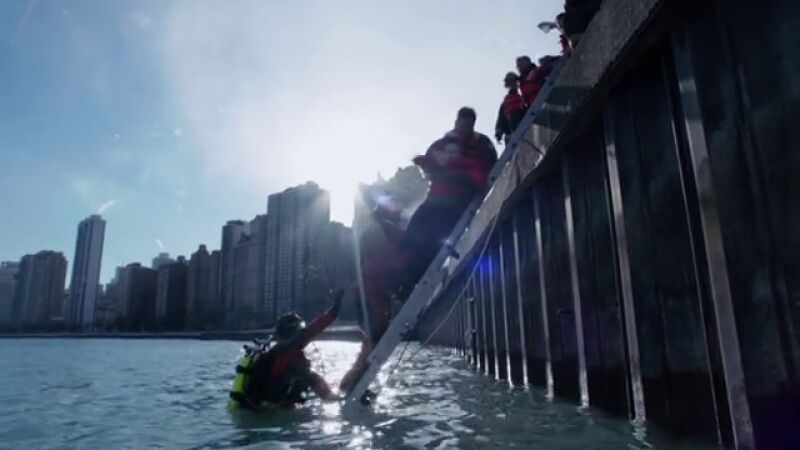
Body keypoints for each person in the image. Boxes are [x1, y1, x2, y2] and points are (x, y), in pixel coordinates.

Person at [399, 107, 497, 298]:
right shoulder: (443, 143)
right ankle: (408, 281)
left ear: (473, 124)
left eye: (469, 124)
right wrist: (423, 162)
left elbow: (487, 170)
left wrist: (462, 174)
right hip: (436, 197)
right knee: (413, 231)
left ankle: (418, 279)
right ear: (456, 122)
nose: (465, 127)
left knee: (434, 239)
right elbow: (430, 167)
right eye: (462, 122)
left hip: (458, 201)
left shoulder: (482, 145)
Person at [228, 290, 343, 411]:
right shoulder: (276, 356)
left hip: (273, 399)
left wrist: (334, 311)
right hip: (270, 400)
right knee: (307, 374)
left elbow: (315, 327)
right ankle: (329, 397)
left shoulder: (286, 348)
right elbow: (255, 389)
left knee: (305, 373)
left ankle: (325, 397)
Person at [495, 72, 527, 145]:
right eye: (510, 82)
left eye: (513, 82)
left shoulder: (522, 98)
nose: (512, 85)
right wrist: (499, 131)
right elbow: (501, 118)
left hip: (524, 130)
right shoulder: (506, 102)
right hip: (510, 134)